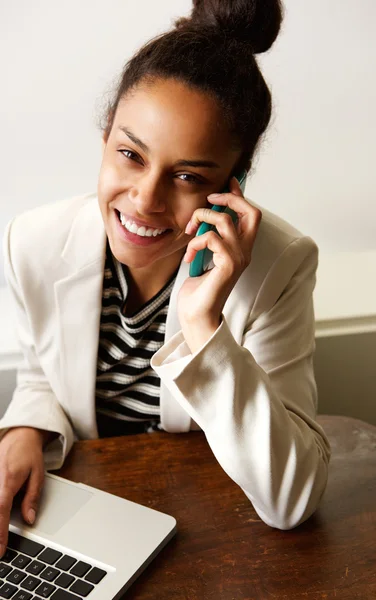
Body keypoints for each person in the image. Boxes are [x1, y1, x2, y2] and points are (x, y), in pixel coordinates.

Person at [0, 0, 330, 549]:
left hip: (203, 531)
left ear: (234, 182)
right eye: (130, 153)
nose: (145, 200)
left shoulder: (281, 268)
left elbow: (293, 499)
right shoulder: (32, 242)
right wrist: (25, 428)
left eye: (186, 176)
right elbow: (42, 371)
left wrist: (204, 324)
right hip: (81, 515)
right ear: (105, 138)